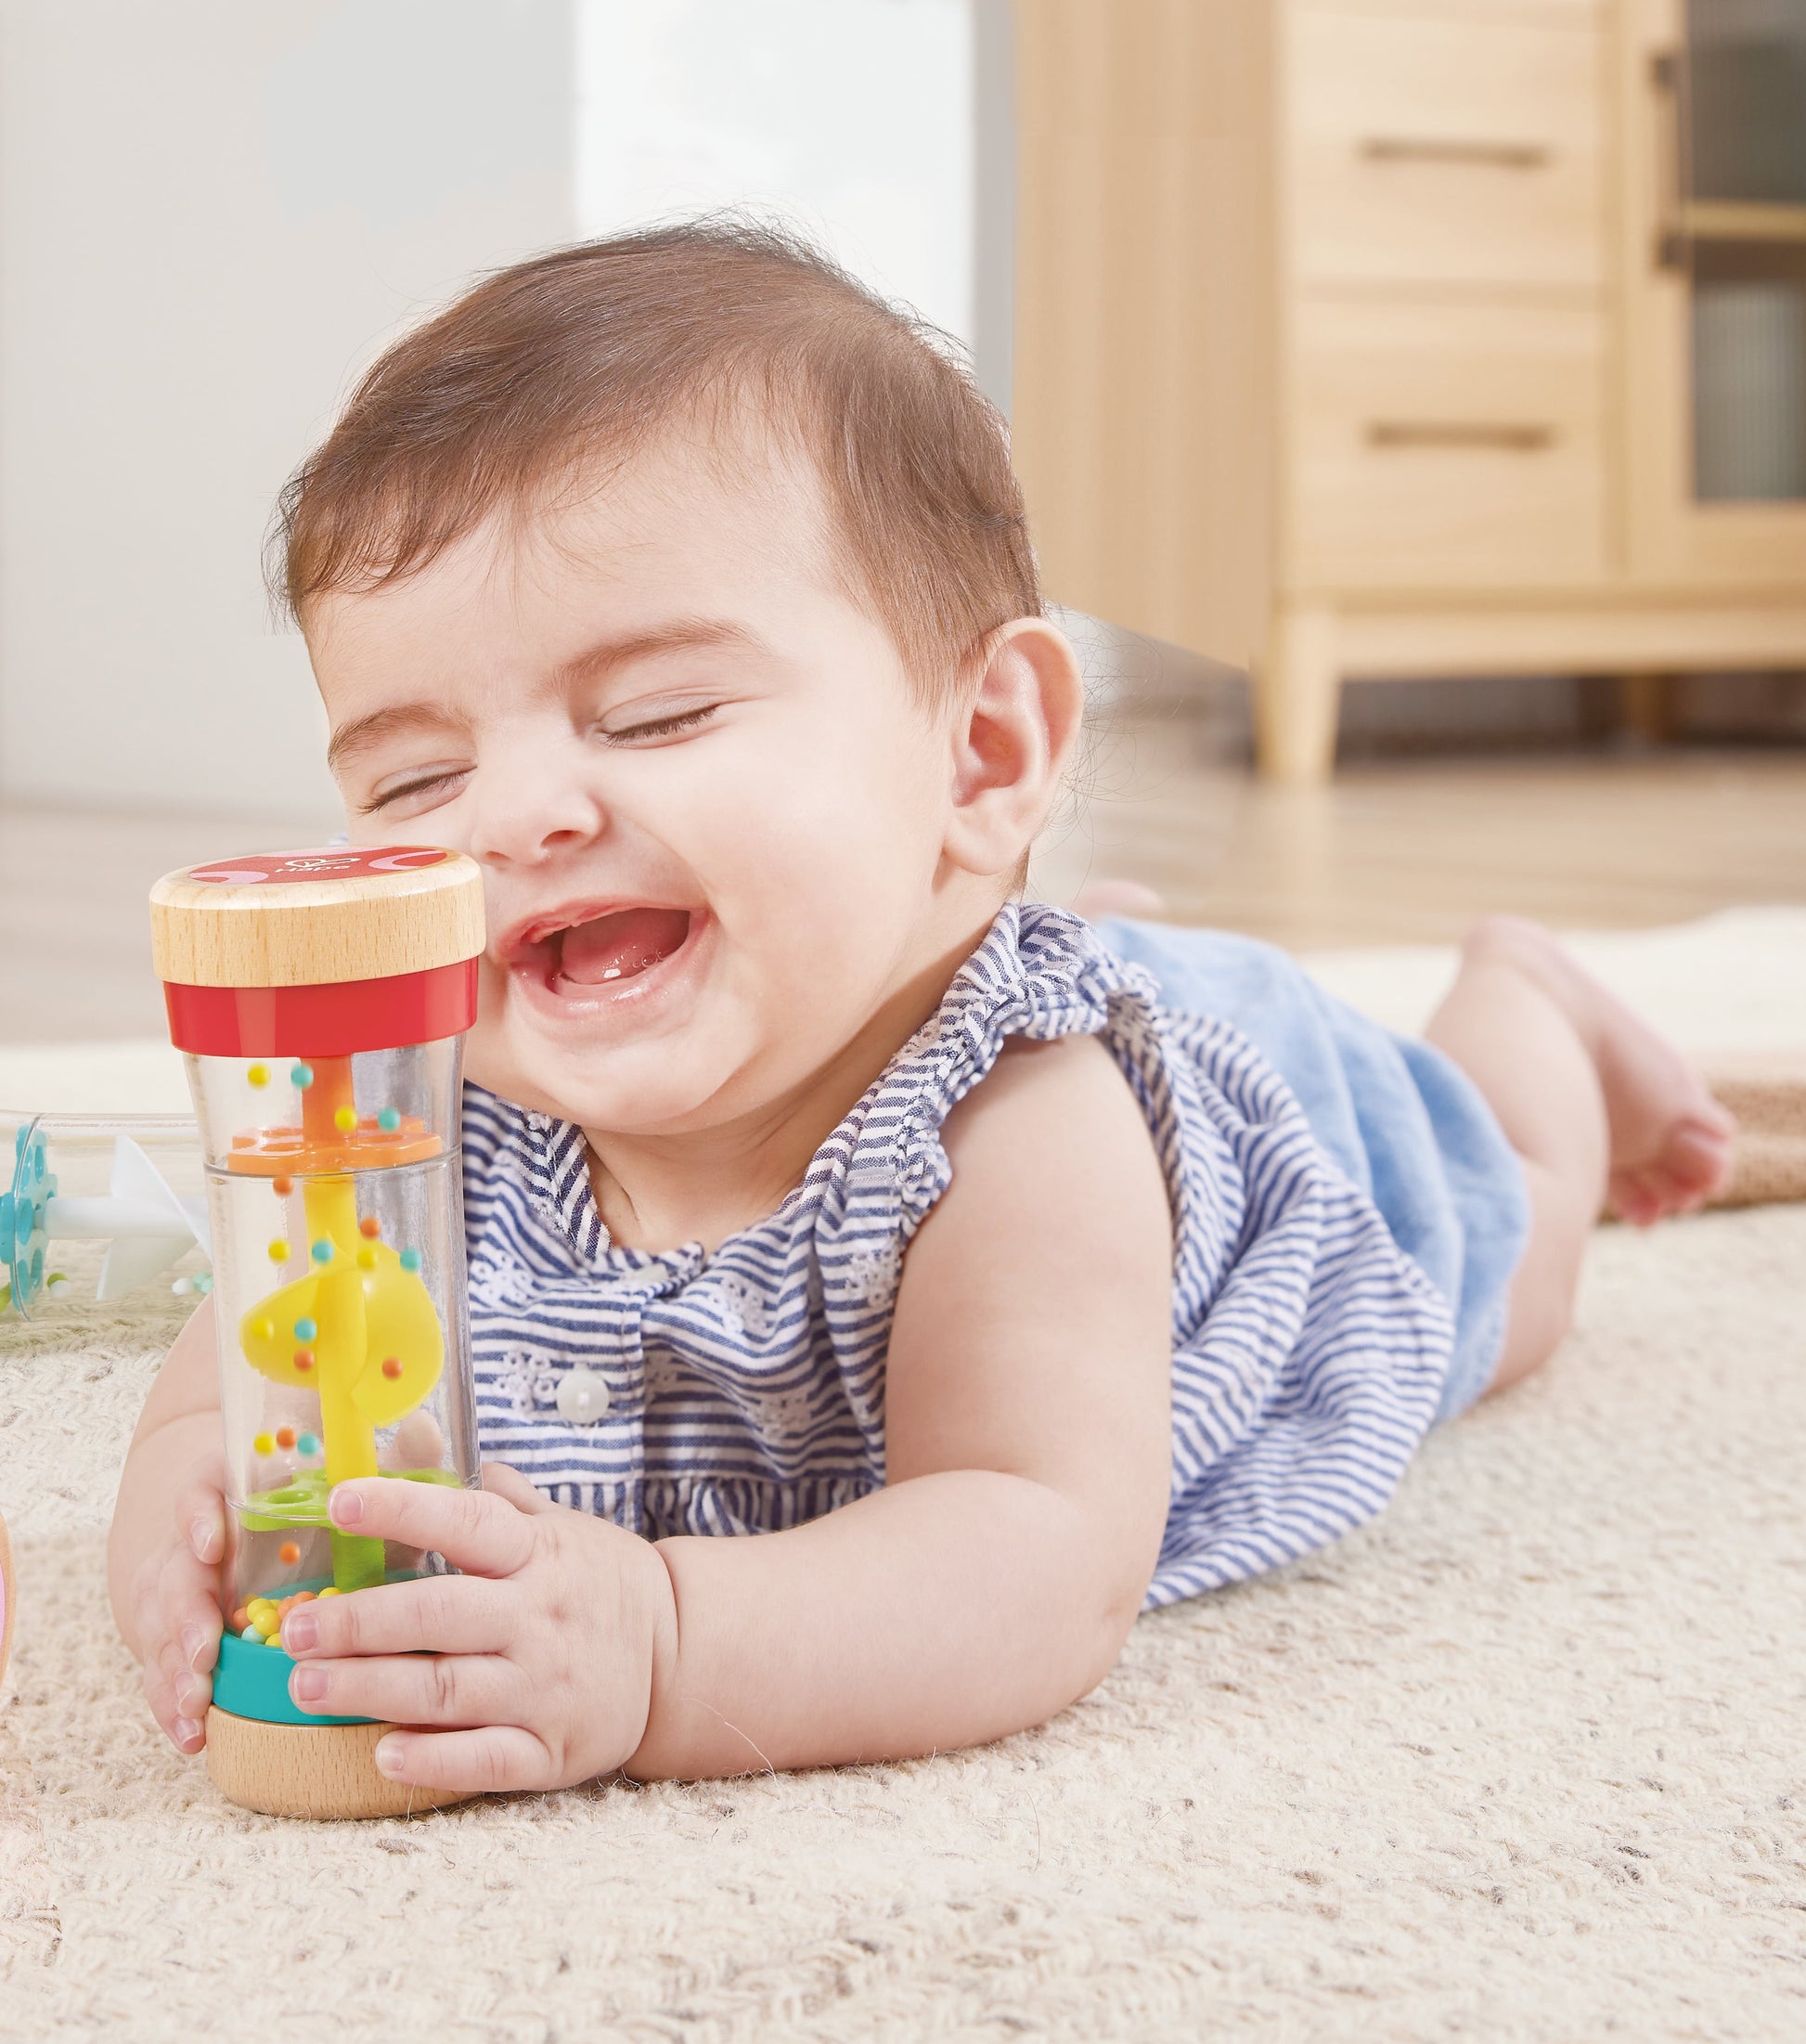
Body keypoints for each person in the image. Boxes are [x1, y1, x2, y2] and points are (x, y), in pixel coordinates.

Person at [109, 225, 1735, 1796]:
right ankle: (1038, 917)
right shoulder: (417, 1114)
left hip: (1304, 1151)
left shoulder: (1011, 1127)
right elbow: (218, 1378)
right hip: (950, 922)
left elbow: (1033, 1549)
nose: (511, 814)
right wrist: (187, 1495)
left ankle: (1527, 1004)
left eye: (657, 711)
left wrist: (659, 1643)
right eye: (418, 773)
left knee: (1510, 1259)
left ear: (981, 753)